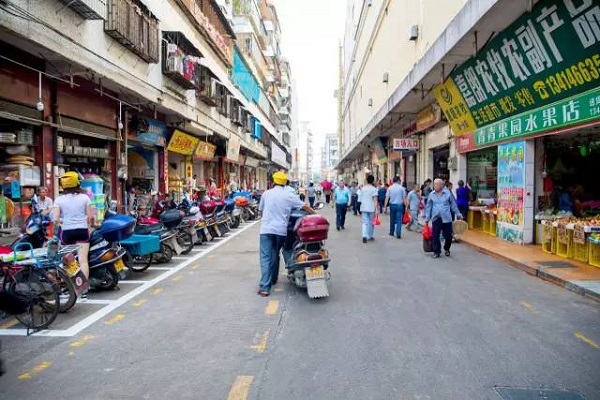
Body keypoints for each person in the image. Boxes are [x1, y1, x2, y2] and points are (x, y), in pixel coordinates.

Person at [258, 171, 314, 297]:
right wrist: (315, 214)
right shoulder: (289, 195)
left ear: (273, 181)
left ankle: (265, 287)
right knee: (274, 253)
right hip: (281, 231)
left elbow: (260, 209)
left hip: (266, 230)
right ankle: (272, 279)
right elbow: (305, 207)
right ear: (285, 183)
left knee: (265, 257)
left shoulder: (266, 194)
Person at [53, 171, 93, 289]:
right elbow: (90, 218)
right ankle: (84, 288)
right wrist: (89, 229)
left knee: (69, 260)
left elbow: (55, 220)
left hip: (67, 232)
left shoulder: (59, 200)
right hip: (82, 231)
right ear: (77, 183)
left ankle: (71, 287)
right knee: (83, 260)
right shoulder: (85, 198)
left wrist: (63, 222)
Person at [424, 178, 462, 259]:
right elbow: (428, 207)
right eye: (434, 184)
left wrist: (458, 214)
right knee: (435, 235)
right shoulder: (431, 194)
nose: (435, 186)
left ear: (441, 185)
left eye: (436, 184)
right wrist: (427, 218)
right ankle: (436, 252)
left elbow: (453, 205)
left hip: (447, 218)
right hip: (436, 218)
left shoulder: (448, 193)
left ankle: (446, 248)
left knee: (448, 235)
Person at [358, 175, 378, 243]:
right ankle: (370, 236)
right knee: (371, 222)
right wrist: (376, 209)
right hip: (371, 208)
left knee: (364, 223)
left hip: (363, 207)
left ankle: (364, 236)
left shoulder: (363, 188)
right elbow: (375, 200)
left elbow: (360, 199)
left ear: (367, 180)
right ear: (373, 181)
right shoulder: (374, 189)